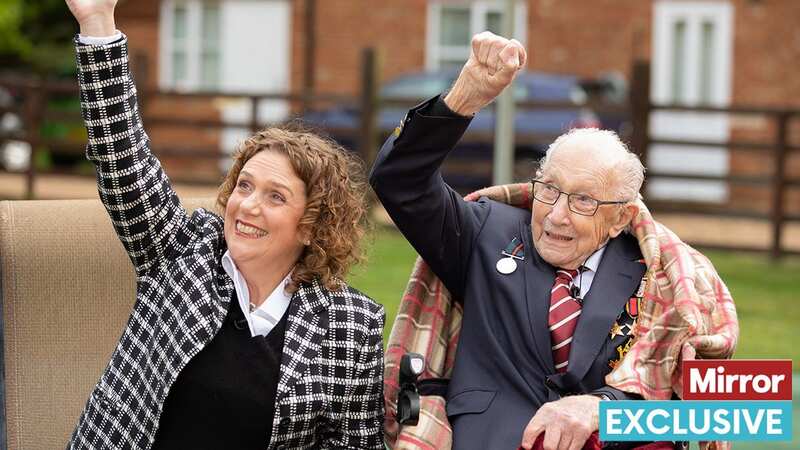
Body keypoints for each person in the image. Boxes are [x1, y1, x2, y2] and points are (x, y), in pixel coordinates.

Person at [371, 32, 737, 450]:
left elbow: (735, 414)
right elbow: (398, 181)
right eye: (549, 190)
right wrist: (465, 96)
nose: (556, 215)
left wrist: (607, 411)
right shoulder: (486, 233)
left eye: (583, 200)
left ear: (620, 217)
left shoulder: (666, 275)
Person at [64, 1, 384, 449]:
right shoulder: (181, 253)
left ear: (313, 226)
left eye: (275, 197)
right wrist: (97, 24)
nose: (248, 206)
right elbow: (122, 158)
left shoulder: (351, 326)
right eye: (244, 186)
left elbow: (353, 445)